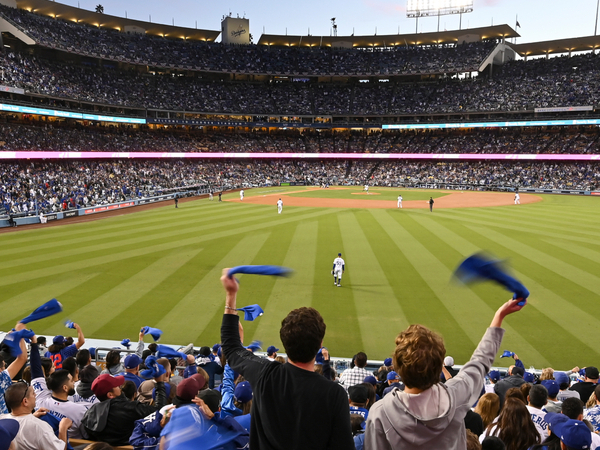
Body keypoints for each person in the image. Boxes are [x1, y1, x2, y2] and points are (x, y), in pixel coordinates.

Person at [365, 297, 527, 450]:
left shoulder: (379, 412)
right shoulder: (455, 396)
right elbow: (479, 362)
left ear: (398, 368)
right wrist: (499, 316)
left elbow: (479, 364)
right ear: (438, 366)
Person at [220, 268, 354, 450]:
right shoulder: (334, 394)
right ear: (320, 343)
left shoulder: (265, 373)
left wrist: (231, 295)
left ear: (284, 341)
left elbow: (231, 347)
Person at [1, 380, 72, 450]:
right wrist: (63, 428)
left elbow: (20, 422)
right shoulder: (39, 427)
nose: (35, 395)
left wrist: (31, 416)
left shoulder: (2, 420)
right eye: (33, 393)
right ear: (25, 401)